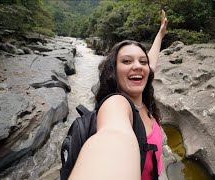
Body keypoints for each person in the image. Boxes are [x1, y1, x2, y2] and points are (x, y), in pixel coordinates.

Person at [69, 10, 168, 180]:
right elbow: (113, 136)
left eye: (142, 62)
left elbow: (151, 62)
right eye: (127, 61)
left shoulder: (143, 97)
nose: (138, 66)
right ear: (112, 71)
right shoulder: (116, 104)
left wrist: (160, 33)